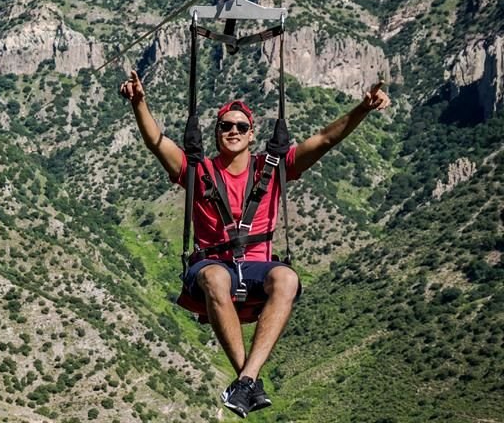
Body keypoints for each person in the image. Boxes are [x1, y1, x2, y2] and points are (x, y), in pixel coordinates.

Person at [119, 69, 390, 418]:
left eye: (240, 126)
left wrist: (363, 108)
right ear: (217, 132)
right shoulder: (198, 170)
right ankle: (247, 379)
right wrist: (139, 103)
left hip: (256, 268)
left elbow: (324, 139)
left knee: (287, 278)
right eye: (225, 126)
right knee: (216, 277)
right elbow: (157, 143)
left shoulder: (272, 168)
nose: (233, 131)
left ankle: (246, 380)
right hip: (211, 267)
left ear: (252, 134)